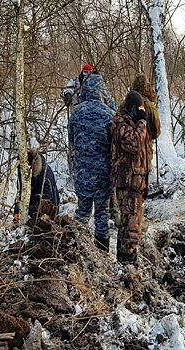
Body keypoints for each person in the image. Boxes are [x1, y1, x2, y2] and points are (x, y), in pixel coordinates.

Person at [68, 74, 114, 252]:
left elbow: (71, 141)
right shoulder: (109, 114)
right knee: (102, 213)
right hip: (103, 174)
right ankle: (102, 253)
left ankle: (76, 249)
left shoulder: (76, 113)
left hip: (83, 173)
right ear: (101, 91)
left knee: (82, 211)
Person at [111, 91, 152, 264]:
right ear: (133, 108)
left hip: (136, 181)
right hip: (127, 182)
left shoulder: (131, 123)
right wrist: (142, 121)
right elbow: (133, 144)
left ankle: (123, 260)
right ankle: (127, 262)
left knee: (130, 223)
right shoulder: (121, 122)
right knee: (131, 225)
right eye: (139, 109)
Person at [14, 149, 60, 223]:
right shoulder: (22, 170)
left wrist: (26, 212)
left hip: (47, 211)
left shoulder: (45, 174)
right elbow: (21, 194)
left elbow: (47, 200)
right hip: (30, 207)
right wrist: (17, 210)